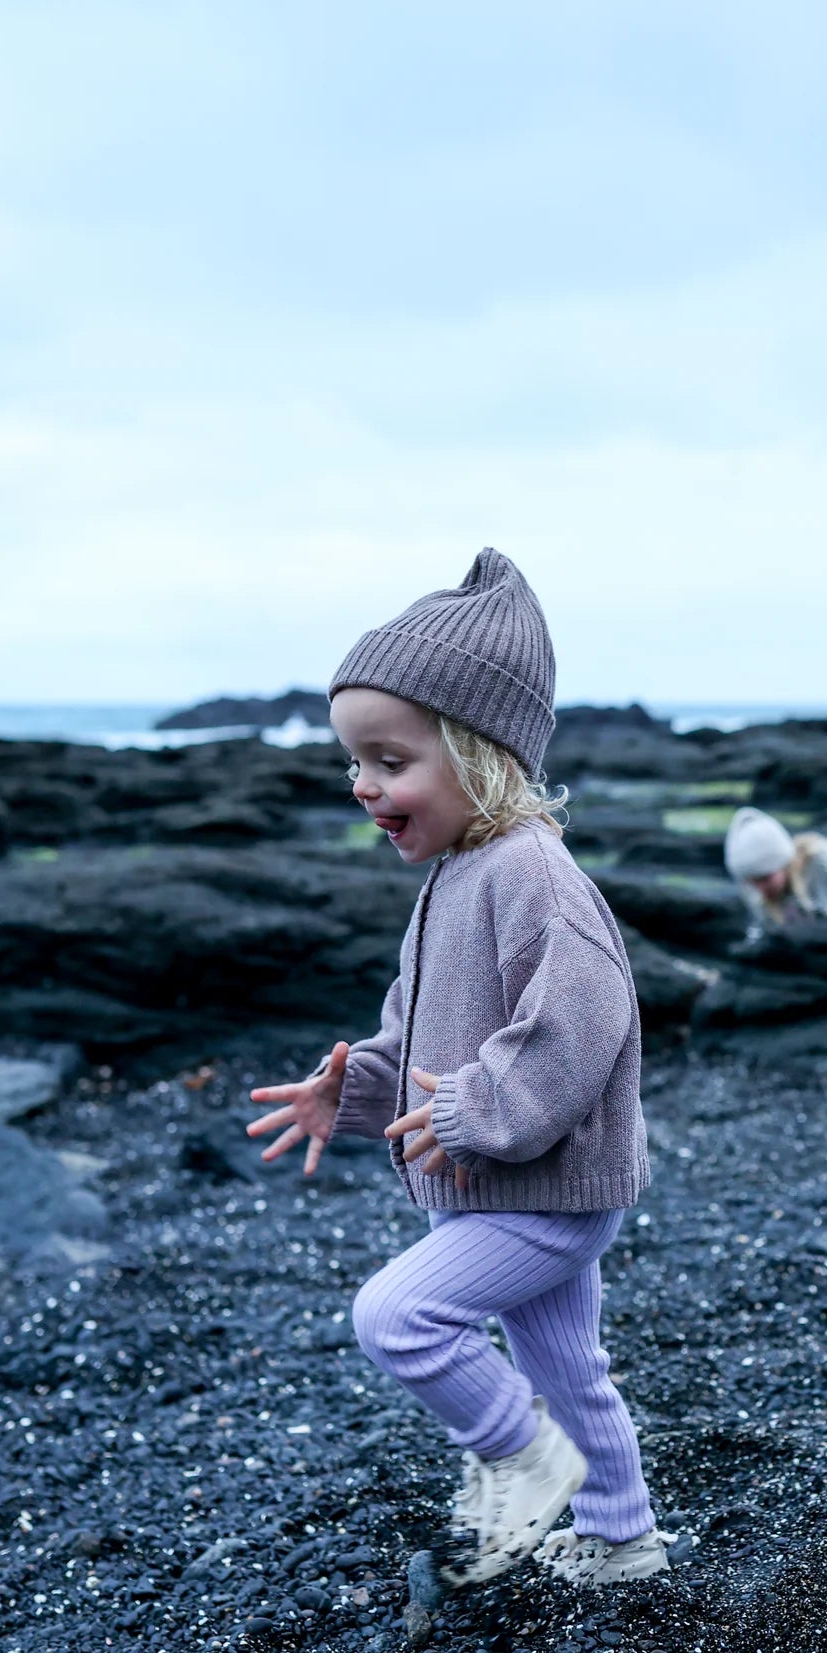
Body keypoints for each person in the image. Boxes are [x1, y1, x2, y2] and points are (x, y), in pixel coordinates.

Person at [246, 549, 668, 1590]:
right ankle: (626, 1538)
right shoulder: (453, 878)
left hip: (544, 1186)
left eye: (389, 760)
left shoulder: (530, 871)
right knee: (569, 1366)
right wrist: (358, 1089)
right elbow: (418, 1035)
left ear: (479, 754)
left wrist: (479, 1107)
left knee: (396, 1317)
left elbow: (581, 1021)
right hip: (501, 1177)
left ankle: (524, 1460)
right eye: (353, 762)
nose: (363, 785)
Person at [724, 806, 827, 936]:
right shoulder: (754, 891)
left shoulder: (822, 858)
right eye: (753, 881)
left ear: (783, 863)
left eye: (766, 878)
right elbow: (760, 928)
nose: (761, 889)